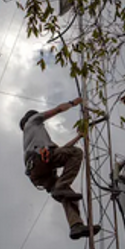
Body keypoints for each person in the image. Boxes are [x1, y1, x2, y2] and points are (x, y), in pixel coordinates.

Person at [20, 97, 101, 240]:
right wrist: (74, 103)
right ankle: (61, 186)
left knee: (68, 195)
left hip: (37, 173)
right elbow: (57, 109)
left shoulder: (34, 139)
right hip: (41, 159)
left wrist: (78, 137)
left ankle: (75, 225)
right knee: (77, 153)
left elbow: (63, 150)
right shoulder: (33, 121)